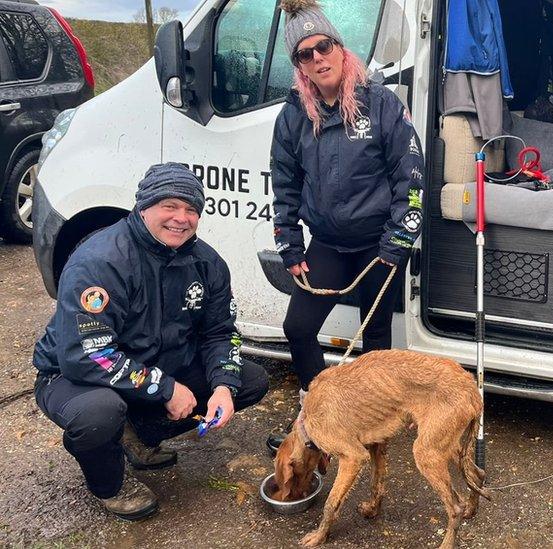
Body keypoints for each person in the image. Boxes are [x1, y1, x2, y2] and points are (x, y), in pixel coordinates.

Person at [32, 163, 269, 520]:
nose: (181, 218)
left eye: (191, 209)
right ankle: (110, 485)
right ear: (143, 207)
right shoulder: (100, 262)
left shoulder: (208, 263)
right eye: (169, 206)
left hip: (153, 362)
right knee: (98, 415)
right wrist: (166, 389)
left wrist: (222, 385)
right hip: (72, 374)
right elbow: (87, 355)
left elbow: (221, 332)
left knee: (248, 381)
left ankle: (137, 436)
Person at [268, 0, 425, 448]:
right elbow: (285, 184)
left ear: (340, 48)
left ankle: (372, 426)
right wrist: (290, 245)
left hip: (380, 245)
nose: (317, 58)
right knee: (298, 328)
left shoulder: (382, 105)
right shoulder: (294, 115)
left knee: (376, 338)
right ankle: (320, 416)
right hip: (328, 245)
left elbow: (411, 179)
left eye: (324, 46)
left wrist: (397, 243)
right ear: (299, 66)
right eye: (305, 54)